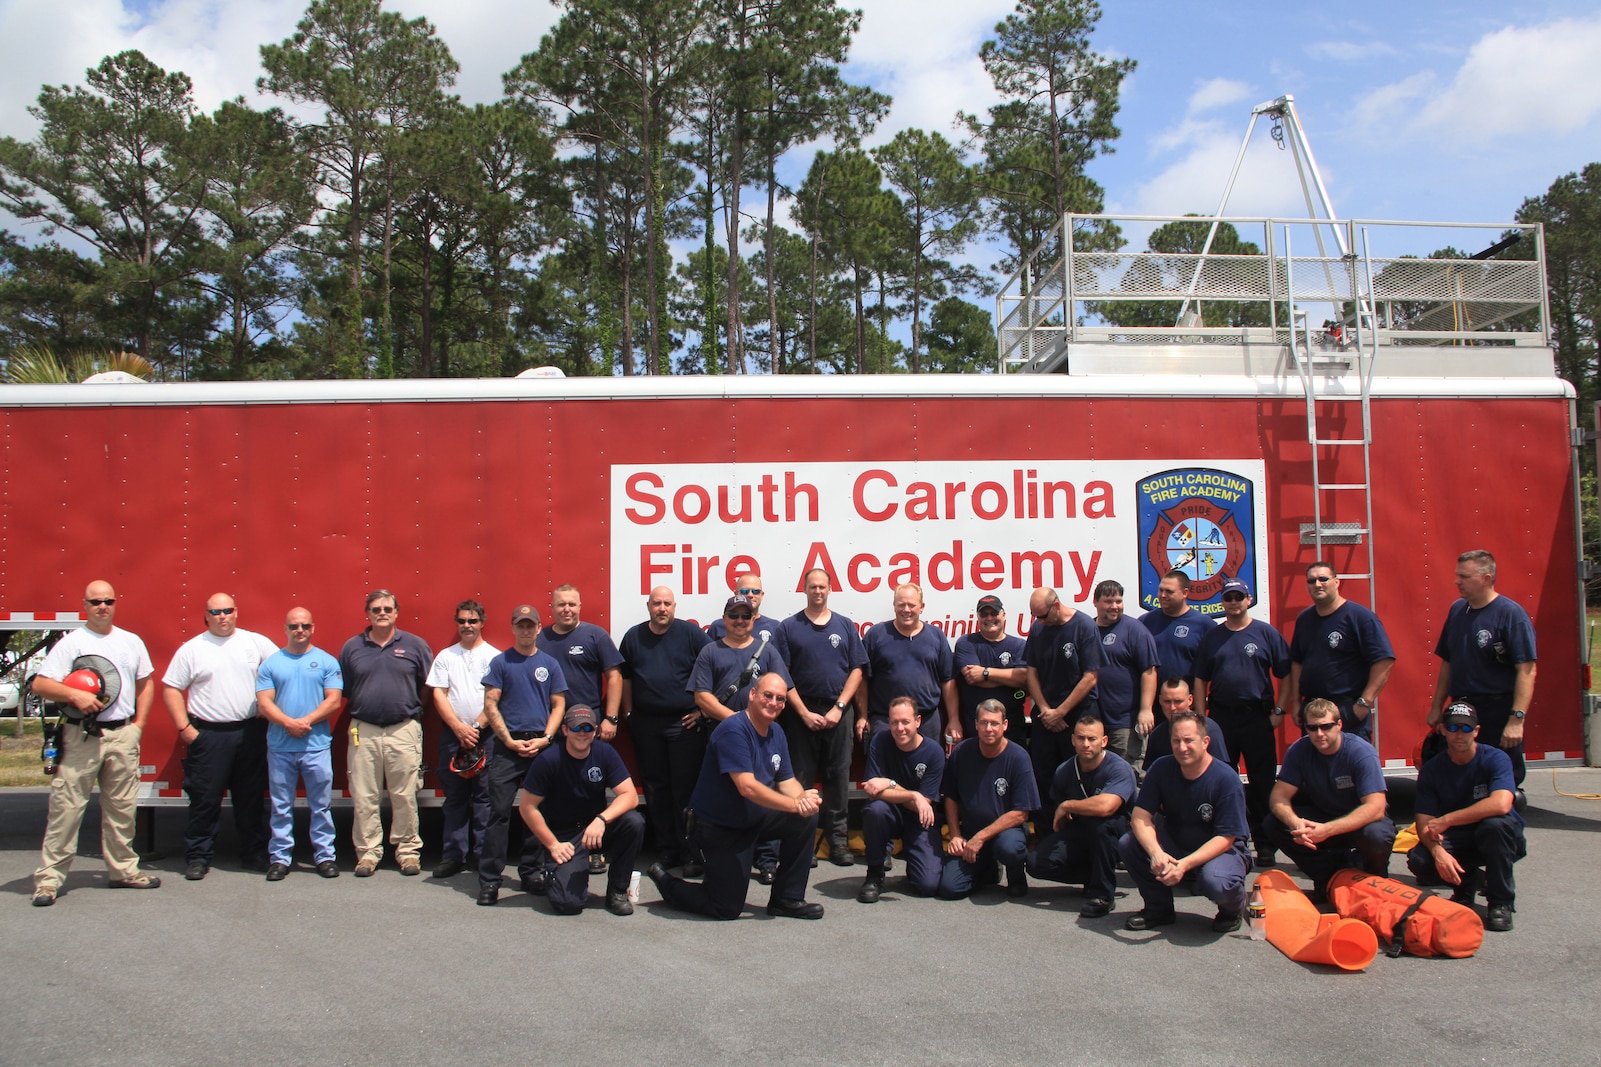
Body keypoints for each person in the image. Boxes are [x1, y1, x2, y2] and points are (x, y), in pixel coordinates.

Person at [647, 673, 825, 920]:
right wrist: (795, 804)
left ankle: (787, 899)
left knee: (805, 819)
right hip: (719, 829)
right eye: (768, 695)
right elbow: (747, 787)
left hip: (752, 818)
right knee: (726, 908)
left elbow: (786, 781)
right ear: (752, 695)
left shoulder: (776, 732)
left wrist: (804, 801)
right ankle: (667, 883)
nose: (773, 703)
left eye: (780, 699)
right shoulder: (733, 730)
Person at [31, 580, 159, 906]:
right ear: (84, 606)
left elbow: (146, 683)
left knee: (122, 810)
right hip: (81, 737)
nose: (102, 606)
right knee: (67, 809)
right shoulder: (71, 644)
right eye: (95, 602)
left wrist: (138, 726)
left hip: (121, 736)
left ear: (116, 604)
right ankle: (49, 881)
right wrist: (73, 693)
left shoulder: (131, 642)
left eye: (108, 601)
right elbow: (41, 684)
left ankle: (124, 871)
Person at [162, 592, 279, 879]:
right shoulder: (192, 649)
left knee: (251, 798)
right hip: (209, 735)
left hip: (250, 732)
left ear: (236, 612)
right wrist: (185, 729)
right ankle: (198, 857)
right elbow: (171, 688)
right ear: (206, 616)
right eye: (215, 612)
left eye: (227, 610)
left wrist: (270, 707)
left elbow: (283, 670)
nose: (222, 616)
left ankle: (253, 854)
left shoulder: (255, 642)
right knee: (204, 799)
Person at [1118, 709, 1252, 933]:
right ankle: (1158, 908)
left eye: (1189, 740)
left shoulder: (1226, 779)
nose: (1182, 747)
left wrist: (1184, 865)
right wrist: (1156, 853)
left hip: (1221, 849)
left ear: (1205, 741)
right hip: (1178, 841)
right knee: (1129, 844)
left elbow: (1226, 838)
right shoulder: (1161, 768)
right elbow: (1140, 817)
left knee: (1216, 881)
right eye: (1176, 741)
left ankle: (1232, 909)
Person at [1192, 577, 1290, 865]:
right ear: (1222, 602)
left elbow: (1287, 673)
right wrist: (1200, 719)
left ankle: (1266, 844)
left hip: (1257, 717)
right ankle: (1232, 841)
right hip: (1221, 718)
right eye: (1228, 597)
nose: (1233, 602)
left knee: (1262, 783)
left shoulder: (1265, 634)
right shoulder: (1213, 636)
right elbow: (1200, 678)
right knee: (1223, 781)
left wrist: (1280, 711)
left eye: (1238, 597)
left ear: (1249, 600)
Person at [476, 604, 568, 906]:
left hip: (541, 745)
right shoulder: (500, 663)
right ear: (513, 628)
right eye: (521, 625)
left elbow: (558, 705)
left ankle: (532, 872)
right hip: (508, 747)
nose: (526, 630)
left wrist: (546, 739)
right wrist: (509, 741)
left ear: (539, 628)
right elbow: (491, 705)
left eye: (531, 625)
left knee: (538, 812)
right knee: (498, 814)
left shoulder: (550, 664)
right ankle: (490, 880)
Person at [338, 589, 434, 877]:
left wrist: (413, 712)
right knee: (364, 795)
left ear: (396, 612)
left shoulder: (415, 646)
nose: (382, 613)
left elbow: (428, 686)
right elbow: (345, 687)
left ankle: (407, 852)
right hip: (363, 730)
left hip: (403, 729)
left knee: (404, 795)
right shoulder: (352, 647)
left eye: (387, 608)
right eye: (376, 609)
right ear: (367, 613)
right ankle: (368, 854)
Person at [1407, 701, 1525, 932]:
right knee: (1421, 859)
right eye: (1452, 728)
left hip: (1497, 837)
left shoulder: (1496, 759)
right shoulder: (1432, 770)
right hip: (1458, 838)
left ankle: (1500, 902)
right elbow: (1424, 821)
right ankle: (1465, 886)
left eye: (1466, 728)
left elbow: (1501, 804)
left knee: (1495, 826)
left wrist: (1447, 820)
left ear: (1476, 731)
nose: (1459, 734)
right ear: (1442, 729)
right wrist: (1438, 852)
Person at [619, 586, 712, 875]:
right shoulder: (634, 637)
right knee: (657, 791)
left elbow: (714, 667)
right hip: (647, 725)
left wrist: (702, 710)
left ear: (675, 607)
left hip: (684, 724)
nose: (662, 608)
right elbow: (625, 677)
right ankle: (667, 852)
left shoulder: (692, 634)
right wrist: (629, 713)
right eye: (657, 603)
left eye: (667, 604)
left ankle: (691, 854)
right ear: (648, 606)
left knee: (685, 792)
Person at [518, 705, 645, 915]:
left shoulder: (604, 752)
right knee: (568, 905)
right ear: (565, 730)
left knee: (634, 822)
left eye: (588, 729)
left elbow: (629, 795)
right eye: (576, 729)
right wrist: (553, 845)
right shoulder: (549, 760)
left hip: (596, 827)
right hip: (565, 835)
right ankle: (558, 874)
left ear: (595, 731)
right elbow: (527, 807)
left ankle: (617, 890)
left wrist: (601, 820)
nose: (582, 734)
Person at [779, 567, 867, 866]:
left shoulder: (844, 625)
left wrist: (839, 708)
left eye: (822, 587)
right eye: (812, 587)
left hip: (838, 711)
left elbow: (857, 670)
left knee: (837, 778)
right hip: (800, 713)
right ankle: (803, 841)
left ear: (830, 589)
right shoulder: (789, 627)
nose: (817, 591)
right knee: (800, 779)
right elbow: (782, 675)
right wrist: (802, 712)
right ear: (804, 589)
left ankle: (838, 843)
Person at [1262, 698, 1394, 896]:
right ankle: (1329, 878)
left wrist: (1327, 830)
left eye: (1326, 726)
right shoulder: (1299, 750)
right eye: (1312, 728)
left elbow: (1376, 807)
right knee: (1273, 824)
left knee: (1376, 834)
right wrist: (1296, 823)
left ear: (1339, 725)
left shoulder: (1360, 752)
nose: (1319, 734)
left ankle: (1375, 877)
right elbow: (1278, 797)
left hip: (1360, 822)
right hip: (1325, 816)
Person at [1427, 549, 1537, 786]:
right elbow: (1447, 662)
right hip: (1462, 708)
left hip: (1496, 709)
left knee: (1501, 780)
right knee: (1462, 777)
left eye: (1465, 577)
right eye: (1458, 575)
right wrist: (1437, 707)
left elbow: (1527, 671)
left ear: (1486, 579)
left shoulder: (1510, 614)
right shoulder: (1457, 610)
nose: (1457, 581)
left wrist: (1516, 719)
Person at [255, 608, 344, 881]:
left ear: (312, 628)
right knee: (281, 806)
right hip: (281, 747)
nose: (300, 630)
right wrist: (288, 724)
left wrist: (304, 721)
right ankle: (280, 858)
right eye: (294, 626)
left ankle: (325, 856)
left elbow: (334, 700)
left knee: (321, 805)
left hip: (316, 746)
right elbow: (264, 702)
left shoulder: (327, 662)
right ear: (286, 629)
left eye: (304, 625)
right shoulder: (271, 664)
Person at [1025, 712, 1137, 918]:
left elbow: (1107, 806)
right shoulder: (1064, 771)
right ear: (1073, 740)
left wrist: (1069, 805)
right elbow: (1059, 816)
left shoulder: (1118, 768)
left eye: (1092, 739)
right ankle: (1094, 875)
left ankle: (1103, 895)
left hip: (1117, 836)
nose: (1086, 744)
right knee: (1035, 864)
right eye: (1081, 738)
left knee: (1101, 825)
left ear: (1104, 741)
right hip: (1080, 831)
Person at [424, 599, 499, 878]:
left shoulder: (494, 657)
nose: (467, 626)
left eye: (473, 621)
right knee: (454, 799)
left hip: (486, 736)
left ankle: (481, 856)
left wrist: (476, 729)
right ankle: (453, 855)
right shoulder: (446, 656)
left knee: (484, 800)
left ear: (482, 622)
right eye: (462, 621)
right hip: (453, 736)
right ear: (456, 623)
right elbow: (438, 695)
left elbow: (496, 698)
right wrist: (458, 728)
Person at [938, 699, 1040, 900]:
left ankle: (1016, 875)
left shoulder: (1019, 757)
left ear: (1005, 725)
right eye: (984, 723)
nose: (989, 728)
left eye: (994, 723)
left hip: (1006, 832)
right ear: (976, 724)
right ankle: (988, 869)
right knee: (950, 889)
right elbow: (950, 797)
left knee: (1009, 847)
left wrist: (981, 837)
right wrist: (956, 835)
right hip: (970, 832)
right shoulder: (962, 752)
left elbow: (1021, 813)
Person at [1281, 562, 1394, 740]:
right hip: (1313, 709)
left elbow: (1384, 660)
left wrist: (1364, 703)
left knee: (1349, 764)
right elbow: (1297, 662)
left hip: (1347, 709)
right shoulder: (1304, 619)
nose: (1317, 584)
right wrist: (1296, 702)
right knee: (1316, 767)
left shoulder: (1360, 617)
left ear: (1336, 581)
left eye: (1323, 579)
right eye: (1311, 581)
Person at [857, 696, 946, 903]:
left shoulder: (934, 752)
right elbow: (873, 790)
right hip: (890, 813)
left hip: (920, 820)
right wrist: (913, 794)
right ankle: (875, 873)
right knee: (875, 810)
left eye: (905, 722)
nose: (900, 728)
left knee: (928, 885)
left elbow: (922, 807)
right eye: (894, 722)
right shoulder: (880, 741)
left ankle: (917, 864)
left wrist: (890, 784)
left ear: (918, 721)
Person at [1023, 586, 1100, 819]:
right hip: (1045, 716)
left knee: (1077, 773)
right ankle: (1046, 833)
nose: (1039, 621)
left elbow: (1091, 676)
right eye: (1035, 616)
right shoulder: (1038, 629)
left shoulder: (1084, 626)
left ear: (1056, 605)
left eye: (1043, 616)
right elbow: (1031, 672)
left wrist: (1062, 712)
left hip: (1078, 715)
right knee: (1043, 775)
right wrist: (1046, 710)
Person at [858, 583, 957, 744]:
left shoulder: (936, 636)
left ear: (921, 607)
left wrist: (953, 719)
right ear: (894, 606)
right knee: (885, 769)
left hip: (928, 720)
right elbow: (862, 679)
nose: (906, 609)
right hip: (885, 720)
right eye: (901, 604)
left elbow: (948, 680)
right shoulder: (876, 635)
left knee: (928, 768)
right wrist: (863, 716)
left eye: (911, 605)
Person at [540, 584, 625, 740]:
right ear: (552, 607)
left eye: (571, 604)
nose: (567, 609)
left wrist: (611, 718)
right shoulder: (540, 639)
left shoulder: (596, 635)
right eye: (561, 604)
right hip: (548, 724)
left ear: (579, 607)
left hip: (587, 723)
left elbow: (615, 677)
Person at [1090, 581, 1158, 764]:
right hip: (1093, 722)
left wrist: (1145, 710)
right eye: (1109, 601)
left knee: (1128, 774)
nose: (1114, 606)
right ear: (1095, 602)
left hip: (1124, 723)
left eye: (1119, 601)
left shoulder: (1135, 630)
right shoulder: (1087, 630)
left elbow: (1149, 671)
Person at [953, 594, 1028, 743]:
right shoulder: (966, 643)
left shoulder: (1019, 645)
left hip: (1013, 728)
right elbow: (973, 677)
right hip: (976, 730)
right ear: (978, 617)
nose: (989, 618)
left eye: (994, 613)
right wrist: (1010, 678)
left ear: (1004, 615)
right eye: (984, 614)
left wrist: (986, 672)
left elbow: (1024, 678)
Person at [1140, 569, 1215, 693]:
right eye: (1161, 590)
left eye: (1169, 591)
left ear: (1185, 593)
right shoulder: (1145, 621)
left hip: (1186, 704)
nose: (1163, 595)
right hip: (1152, 704)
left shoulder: (1204, 625)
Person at [1143, 678, 1229, 771]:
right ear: (1160, 700)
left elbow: (1220, 770)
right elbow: (1151, 772)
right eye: (1167, 701)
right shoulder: (1157, 734)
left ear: (1190, 700)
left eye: (1178, 701)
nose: (1172, 708)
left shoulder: (1209, 729)